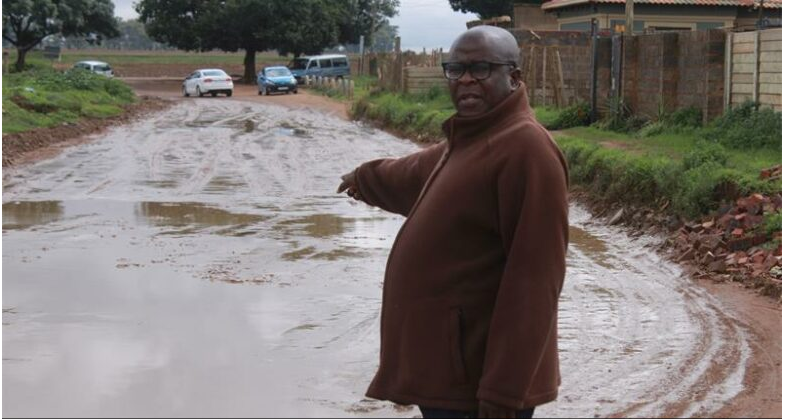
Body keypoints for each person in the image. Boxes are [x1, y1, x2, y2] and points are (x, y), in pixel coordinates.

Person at [337, 25, 569, 419]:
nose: (465, 80)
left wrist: (503, 391)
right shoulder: (475, 139)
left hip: (478, 382)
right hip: (449, 371)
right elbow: (415, 173)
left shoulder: (526, 149)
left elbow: (535, 281)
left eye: (480, 69)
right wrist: (366, 179)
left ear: (514, 77)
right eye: (455, 69)